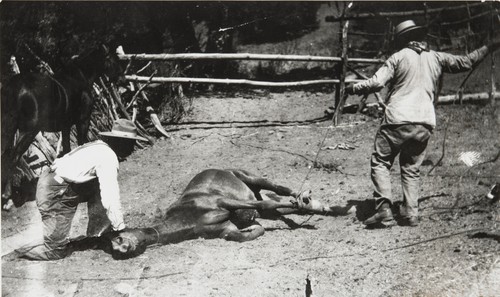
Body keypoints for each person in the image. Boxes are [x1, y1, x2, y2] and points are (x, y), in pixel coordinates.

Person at [346, 20, 500, 227]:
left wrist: (353, 88)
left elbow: (376, 82)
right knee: (410, 168)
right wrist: (490, 45)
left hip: (397, 119)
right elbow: (467, 62)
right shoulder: (436, 57)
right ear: (419, 37)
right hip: (424, 122)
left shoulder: (398, 57)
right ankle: (410, 214)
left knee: (381, 162)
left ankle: (383, 209)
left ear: (401, 40)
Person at [19, 119, 147, 260]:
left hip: (58, 184)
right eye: (131, 143)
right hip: (55, 192)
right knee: (55, 251)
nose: (132, 147)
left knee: (98, 185)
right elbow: (110, 196)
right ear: (121, 142)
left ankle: (98, 234)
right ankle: (18, 252)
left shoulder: (99, 147)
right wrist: (120, 228)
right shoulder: (108, 157)